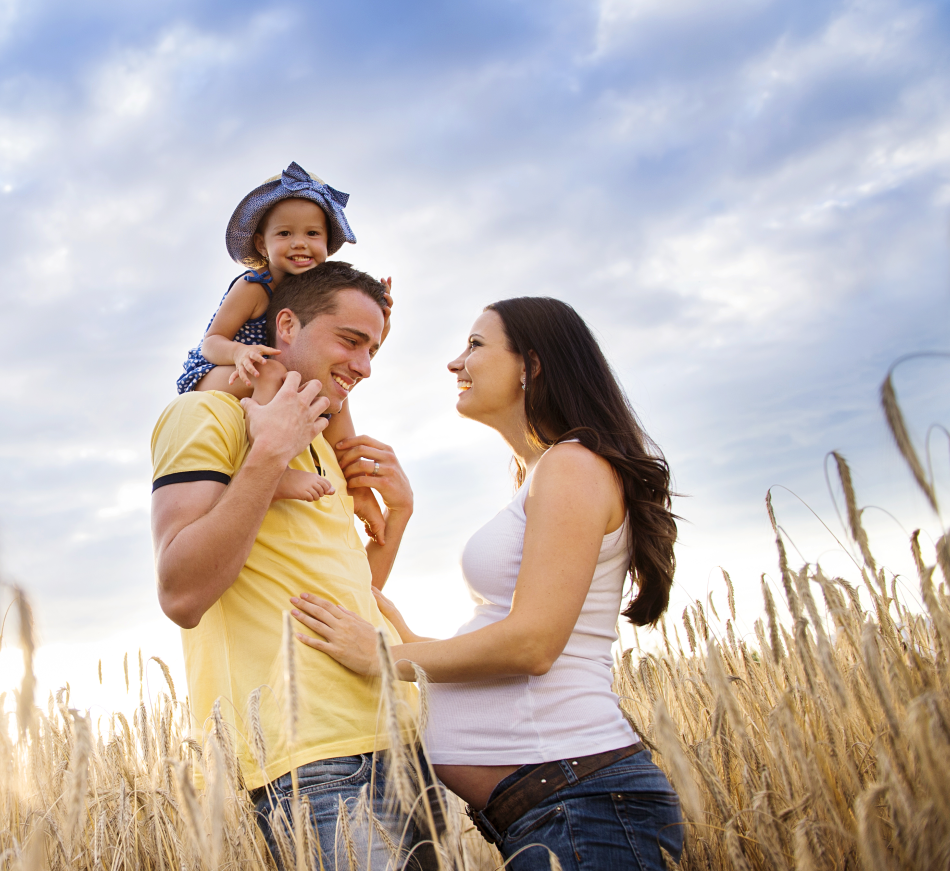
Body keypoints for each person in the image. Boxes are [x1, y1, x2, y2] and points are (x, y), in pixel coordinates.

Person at [288, 297, 685, 871]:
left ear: (531, 364)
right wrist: (400, 625)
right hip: (556, 808)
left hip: (582, 804)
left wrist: (387, 658)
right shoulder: (548, 471)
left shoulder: (571, 466)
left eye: (475, 345)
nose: (456, 363)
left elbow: (533, 645)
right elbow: (516, 635)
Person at [152, 261, 442, 871]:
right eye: (351, 341)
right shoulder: (205, 416)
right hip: (311, 758)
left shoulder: (324, 446)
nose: (364, 366)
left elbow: (348, 595)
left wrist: (400, 516)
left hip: (400, 737)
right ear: (286, 326)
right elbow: (180, 593)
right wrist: (269, 454)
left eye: (373, 350)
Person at [175, 162, 395, 541]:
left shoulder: (311, 293)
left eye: (312, 233)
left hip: (267, 372)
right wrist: (240, 353)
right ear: (262, 245)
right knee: (273, 370)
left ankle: (358, 489)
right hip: (218, 372)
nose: (299, 243)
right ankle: (270, 467)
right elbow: (211, 342)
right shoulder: (254, 286)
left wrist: (377, 322)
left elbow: (337, 346)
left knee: (336, 400)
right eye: (285, 233)